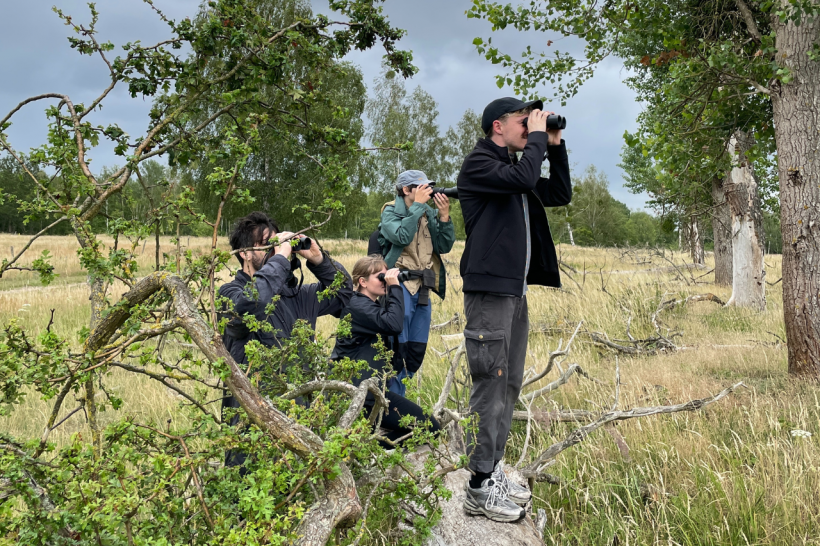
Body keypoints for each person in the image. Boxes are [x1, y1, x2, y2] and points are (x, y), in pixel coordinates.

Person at [457, 98, 572, 522]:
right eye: (523, 122)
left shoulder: (511, 172)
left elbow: (558, 192)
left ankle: (492, 471)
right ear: (496, 126)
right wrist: (538, 139)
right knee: (491, 383)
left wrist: (554, 145)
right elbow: (525, 176)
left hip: (515, 293)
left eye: (534, 122)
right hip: (489, 294)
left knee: (509, 385)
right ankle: (477, 487)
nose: (530, 127)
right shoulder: (480, 165)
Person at [219, 211, 353, 471]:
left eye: (276, 243)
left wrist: (318, 258)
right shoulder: (230, 294)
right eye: (265, 244)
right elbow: (252, 304)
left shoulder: (299, 296)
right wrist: (280, 257)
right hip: (251, 425)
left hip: (298, 419)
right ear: (244, 253)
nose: (274, 250)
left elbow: (345, 294)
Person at [331, 255, 441, 447]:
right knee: (429, 427)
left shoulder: (369, 305)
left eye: (386, 276)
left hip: (373, 395)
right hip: (359, 396)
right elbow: (394, 324)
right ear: (362, 282)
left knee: (430, 427)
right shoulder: (357, 306)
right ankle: (375, 449)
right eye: (379, 277)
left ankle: (376, 448)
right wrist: (395, 287)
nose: (384, 281)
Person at [377, 170, 456, 396]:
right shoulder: (391, 211)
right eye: (420, 187)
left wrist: (443, 217)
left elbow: (443, 246)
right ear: (406, 190)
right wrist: (418, 208)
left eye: (428, 187)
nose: (427, 191)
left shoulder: (428, 213)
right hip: (399, 285)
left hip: (423, 287)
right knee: (396, 349)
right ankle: (390, 401)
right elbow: (400, 237)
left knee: (415, 350)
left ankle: (399, 399)